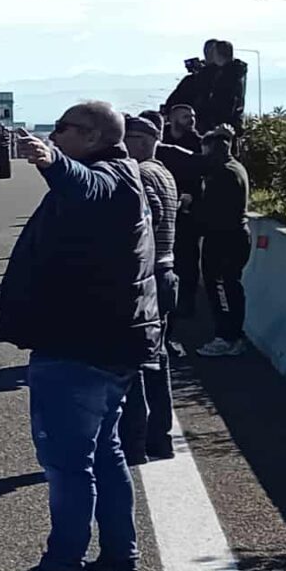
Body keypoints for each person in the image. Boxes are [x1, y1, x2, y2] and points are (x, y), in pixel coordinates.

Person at [0, 102, 160, 571]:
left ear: (89, 136)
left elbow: (86, 187)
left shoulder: (107, 176)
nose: (55, 134)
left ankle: (63, 570)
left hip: (79, 344)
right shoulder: (121, 174)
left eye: (62, 129)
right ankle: (116, 563)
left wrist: (50, 160)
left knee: (68, 463)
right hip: (109, 343)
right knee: (104, 454)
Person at [119, 115, 179, 463]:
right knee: (158, 360)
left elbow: (148, 216)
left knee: (135, 363)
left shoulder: (140, 173)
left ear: (141, 140)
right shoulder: (164, 172)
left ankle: (136, 443)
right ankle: (160, 438)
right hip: (167, 271)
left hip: (149, 276)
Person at [196, 125, 253, 358]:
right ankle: (234, 336)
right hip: (237, 235)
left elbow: (212, 209)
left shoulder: (223, 173)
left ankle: (226, 337)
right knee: (232, 286)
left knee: (219, 286)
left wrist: (191, 209)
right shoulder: (236, 167)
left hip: (222, 238)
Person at [158, 103, 204, 352]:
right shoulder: (161, 140)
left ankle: (184, 306)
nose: (191, 120)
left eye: (193, 116)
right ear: (173, 118)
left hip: (186, 211)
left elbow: (200, 172)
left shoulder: (195, 142)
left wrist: (189, 195)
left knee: (187, 260)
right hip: (162, 209)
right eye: (186, 116)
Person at [165, 38, 248, 136]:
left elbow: (220, 103)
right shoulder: (234, 73)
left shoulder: (227, 77)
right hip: (216, 126)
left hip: (214, 127)